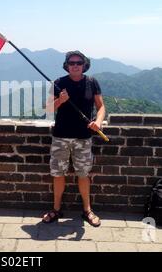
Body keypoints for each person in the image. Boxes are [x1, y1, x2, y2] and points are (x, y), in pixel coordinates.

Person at [43, 50, 105, 227]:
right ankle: (56, 209)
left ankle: (87, 210)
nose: (75, 65)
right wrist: (60, 101)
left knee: (83, 174)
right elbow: (47, 108)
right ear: (67, 65)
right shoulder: (59, 83)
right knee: (58, 174)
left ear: (84, 65)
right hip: (61, 136)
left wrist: (98, 122)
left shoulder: (92, 82)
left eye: (79, 63)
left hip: (83, 137)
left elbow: (100, 107)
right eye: (72, 63)